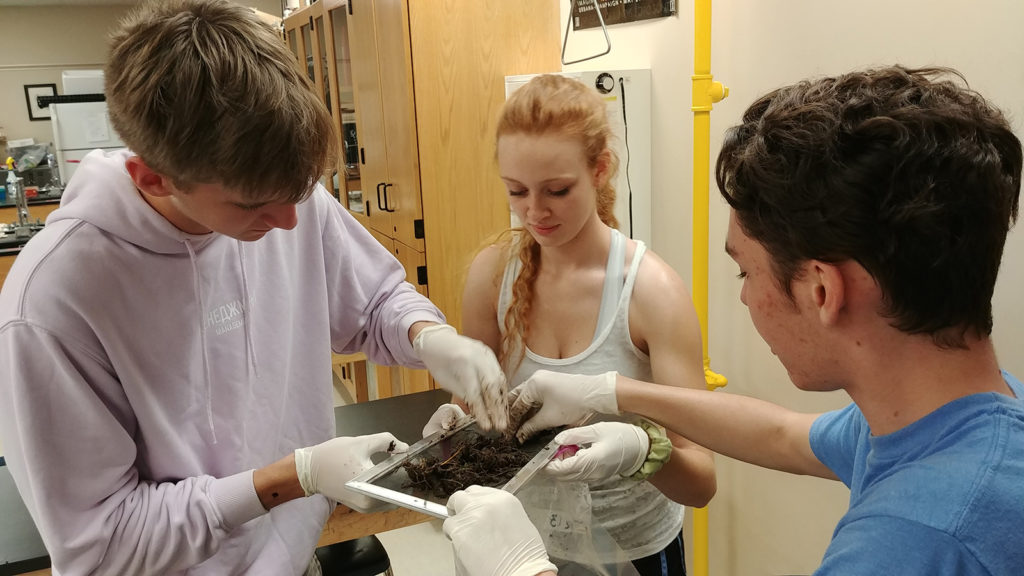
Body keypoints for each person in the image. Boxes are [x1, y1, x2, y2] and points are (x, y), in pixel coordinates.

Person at [443, 65, 1024, 576]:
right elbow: (783, 435)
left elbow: (707, 476)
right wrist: (611, 392)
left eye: (745, 274)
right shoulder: (962, 423)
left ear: (822, 289)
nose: (744, 300)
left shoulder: (908, 544)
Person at [0, 1, 507, 574]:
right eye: (253, 206)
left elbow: (373, 302)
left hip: (296, 554)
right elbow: (105, 543)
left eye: (301, 194)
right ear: (153, 177)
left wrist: (430, 338)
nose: (289, 225)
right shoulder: (52, 303)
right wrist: (295, 477)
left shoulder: (282, 197)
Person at [424, 73, 715, 576]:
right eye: (516, 191)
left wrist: (643, 450)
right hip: (515, 547)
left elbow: (701, 483)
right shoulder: (492, 276)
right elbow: (474, 409)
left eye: (557, 190)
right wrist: (452, 434)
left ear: (600, 169)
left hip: (633, 550)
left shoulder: (650, 293)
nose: (534, 212)